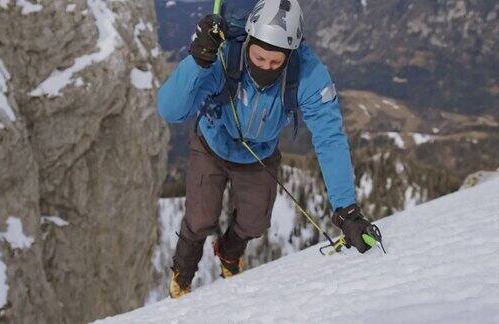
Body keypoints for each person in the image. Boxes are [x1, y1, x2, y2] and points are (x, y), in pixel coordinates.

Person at [157, 0, 373, 299]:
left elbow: (330, 137)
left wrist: (346, 209)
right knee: (200, 218)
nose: (265, 67)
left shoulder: (308, 74)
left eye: (275, 63)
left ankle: (229, 253)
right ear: (247, 41)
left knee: (254, 223)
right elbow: (171, 110)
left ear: (291, 54)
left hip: (259, 152)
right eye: (258, 58)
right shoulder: (223, 55)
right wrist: (197, 60)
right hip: (212, 142)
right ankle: (184, 270)